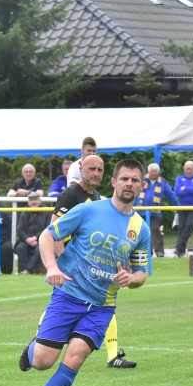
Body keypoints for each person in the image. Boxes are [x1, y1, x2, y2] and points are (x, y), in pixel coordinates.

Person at [16, 158, 151, 386]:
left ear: (141, 186)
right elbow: (46, 236)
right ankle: (33, 350)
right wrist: (52, 267)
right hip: (68, 295)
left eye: (134, 180)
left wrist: (131, 279)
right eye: (124, 179)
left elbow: (141, 273)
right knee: (43, 361)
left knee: (75, 358)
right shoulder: (88, 211)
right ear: (114, 182)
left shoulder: (141, 229)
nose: (129, 184)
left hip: (102, 307)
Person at [54, 154, 135, 368]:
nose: (96, 173)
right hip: (73, 263)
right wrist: (63, 262)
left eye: (99, 170)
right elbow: (53, 227)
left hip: (92, 263)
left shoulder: (98, 196)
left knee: (105, 301)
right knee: (70, 303)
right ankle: (41, 337)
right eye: (91, 169)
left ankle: (112, 355)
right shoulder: (71, 194)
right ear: (82, 170)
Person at [133, 162, 178, 258]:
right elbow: (135, 192)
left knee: (156, 231)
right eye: (152, 171)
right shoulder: (141, 180)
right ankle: (146, 252)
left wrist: (177, 206)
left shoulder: (162, 182)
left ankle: (159, 252)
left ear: (158, 172)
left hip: (155, 213)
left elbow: (170, 194)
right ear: (148, 171)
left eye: (155, 171)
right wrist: (134, 204)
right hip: (140, 211)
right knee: (142, 232)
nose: (153, 173)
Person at [173, 160, 193, 257]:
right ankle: (181, 251)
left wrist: (185, 188)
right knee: (181, 228)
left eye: (190, 169)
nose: (188, 171)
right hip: (182, 206)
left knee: (189, 225)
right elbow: (177, 192)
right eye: (186, 169)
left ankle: (179, 248)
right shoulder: (180, 178)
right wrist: (191, 189)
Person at [15, 191, 52, 274]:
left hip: (43, 239)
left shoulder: (47, 211)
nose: (34, 202)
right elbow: (20, 229)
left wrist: (36, 237)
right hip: (26, 240)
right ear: (28, 202)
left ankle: (28, 270)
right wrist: (27, 239)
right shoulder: (24, 212)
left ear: (40, 201)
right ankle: (25, 270)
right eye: (31, 200)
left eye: (36, 200)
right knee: (20, 248)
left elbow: (48, 228)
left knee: (41, 249)